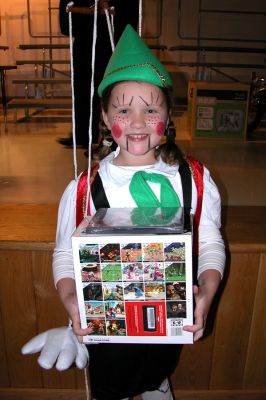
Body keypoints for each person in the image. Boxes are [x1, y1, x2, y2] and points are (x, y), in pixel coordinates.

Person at [51, 25, 226, 399]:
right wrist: (70, 301)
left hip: (167, 324)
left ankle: (157, 386)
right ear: (104, 116)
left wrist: (206, 295)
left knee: (156, 374)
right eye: (123, 110)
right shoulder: (84, 188)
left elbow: (209, 241)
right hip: (108, 332)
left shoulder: (193, 178)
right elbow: (66, 253)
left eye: (150, 109)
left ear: (168, 113)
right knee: (111, 386)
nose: (136, 122)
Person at [58, 0, 139, 149]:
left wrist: (102, 12)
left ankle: (110, 140)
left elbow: (129, 18)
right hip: (84, 44)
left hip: (110, 44)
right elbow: (65, 22)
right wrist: (90, 13)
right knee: (82, 91)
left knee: (108, 93)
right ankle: (82, 135)